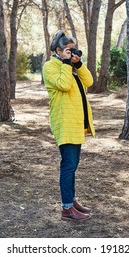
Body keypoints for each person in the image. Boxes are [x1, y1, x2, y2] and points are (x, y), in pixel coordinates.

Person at [42, 30, 95, 221]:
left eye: (74, 51)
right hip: (64, 122)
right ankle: (66, 208)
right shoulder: (50, 66)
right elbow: (64, 85)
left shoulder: (71, 66)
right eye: (68, 50)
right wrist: (65, 64)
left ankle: (72, 201)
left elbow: (89, 81)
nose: (72, 54)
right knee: (68, 165)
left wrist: (78, 64)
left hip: (75, 122)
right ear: (58, 50)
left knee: (73, 166)